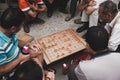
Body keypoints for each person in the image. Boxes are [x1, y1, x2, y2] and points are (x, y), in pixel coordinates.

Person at [0, 7, 30, 80]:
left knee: (37, 53)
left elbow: (15, 41)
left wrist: (29, 44)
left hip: (18, 58)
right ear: (13, 28)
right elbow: (1, 70)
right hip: (10, 74)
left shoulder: (8, 31)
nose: (21, 27)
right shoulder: (1, 47)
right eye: (21, 25)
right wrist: (19, 60)